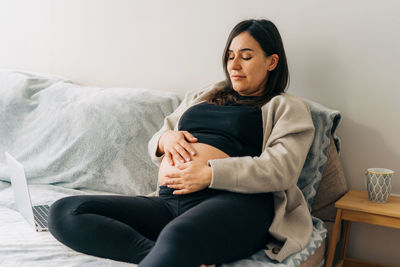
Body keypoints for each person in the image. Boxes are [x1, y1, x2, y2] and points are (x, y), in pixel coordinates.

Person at [48, 18, 315, 266]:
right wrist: (167, 138)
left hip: (237, 204)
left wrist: (208, 174)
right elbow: (158, 139)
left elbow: (282, 170)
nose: (234, 65)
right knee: (65, 211)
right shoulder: (203, 95)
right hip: (169, 201)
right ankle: (166, 257)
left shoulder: (286, 107)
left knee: (177, 235)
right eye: (230, 56)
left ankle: (173, 251)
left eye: (246, 57)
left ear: (272, 62)